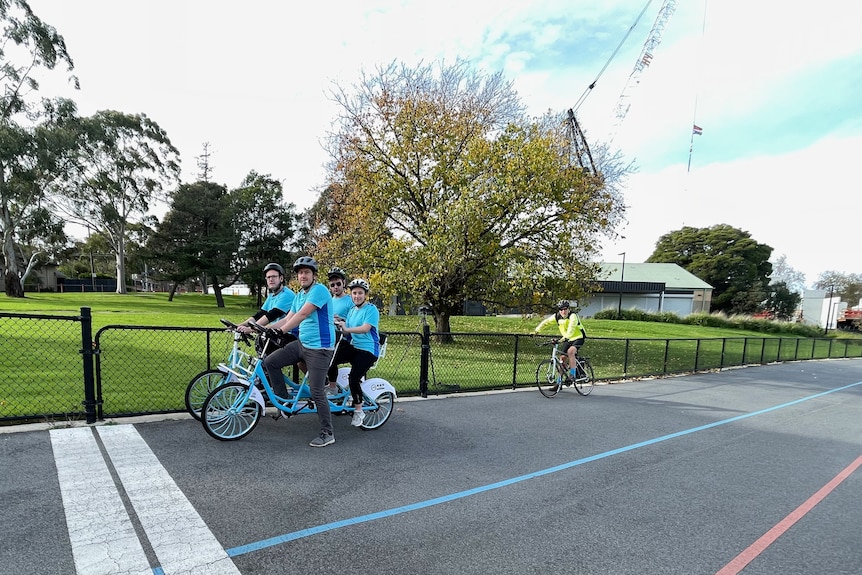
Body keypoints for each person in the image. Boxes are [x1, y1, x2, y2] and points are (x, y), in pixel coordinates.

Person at [264, 256, 338, 448]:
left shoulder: (319, 290)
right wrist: (266, 329)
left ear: (313, 275)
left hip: (320, 349)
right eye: (300, 273)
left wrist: (281, 331)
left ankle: (327, 433)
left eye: (306, 272)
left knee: (316, 391)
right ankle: (286, 404)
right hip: (302, 344)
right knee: (270, 362)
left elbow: (302, 314)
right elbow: (288, 317)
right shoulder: (299, 295)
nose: (303, 276)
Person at [326, 278, 381, 427]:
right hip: (354, 346)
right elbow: (347, 327)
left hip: (368, 350)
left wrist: (346, 328)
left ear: (365, 295)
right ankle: (333, 389)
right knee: (329, 357)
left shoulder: (371, 309)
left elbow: (365, 328)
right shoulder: (351, 310)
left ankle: (359, 411)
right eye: (354, 293)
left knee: (354, 378)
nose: (357, 296)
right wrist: (339, 321)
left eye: (360, 293)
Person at [534, 300, 587, 380]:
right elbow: (546, 322)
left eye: (565, 309)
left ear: (569, 309)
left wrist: (563, 338)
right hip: (567, 338)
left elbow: (571, 329)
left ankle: (572, 375)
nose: (563, 311)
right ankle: (559, 382)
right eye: (561, 309)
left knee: (570, 352)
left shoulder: (573, 316)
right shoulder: (557, 316)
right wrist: (536, 331)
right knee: (562, 358)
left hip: (578, 337)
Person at [237, 262, 294, 335]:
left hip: (287, 334)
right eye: (268, 277)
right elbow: (259, 315)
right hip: (273, 334)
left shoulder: (287, 295)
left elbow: (271, 315)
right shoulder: (271, 296)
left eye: (274, 276)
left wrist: (251, 329)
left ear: (281, 278)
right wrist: (239, 325)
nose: (271, 279)